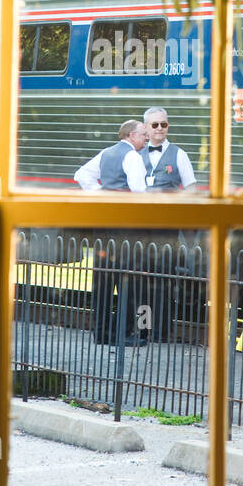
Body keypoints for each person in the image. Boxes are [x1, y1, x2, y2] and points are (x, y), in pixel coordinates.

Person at [74, 121, 148, 345]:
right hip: (124, 225)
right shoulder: (133, 157)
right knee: (127, 277)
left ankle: (101, 333)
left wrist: (103, 194)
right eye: (144, 135)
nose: (146, 138)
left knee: (103, 278)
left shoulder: (106, 153)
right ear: (132, 135)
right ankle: (124, 334)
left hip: (104, 223)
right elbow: (138, 190)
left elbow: (81, 175)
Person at [137, 108, 199, 342]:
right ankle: (143, 329)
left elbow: (191, 187)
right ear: (146, 128)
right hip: (141, 227)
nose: (160, 129)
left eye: (164, 124)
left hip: (167, 228)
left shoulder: (179, 154)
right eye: (155, 125)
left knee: (163, 280)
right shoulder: (136, 154)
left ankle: (162, 332)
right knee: (142, 279)